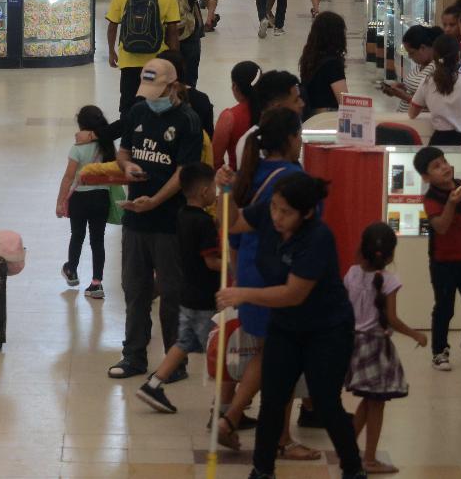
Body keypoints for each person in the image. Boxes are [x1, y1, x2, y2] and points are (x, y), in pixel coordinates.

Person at [216, 173, 362, 479]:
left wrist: (243, 294)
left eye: (286, 212)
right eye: (275, 208)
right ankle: (262, 470)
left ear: (307, 213)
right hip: (285, 326)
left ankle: (353, 469)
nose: (277, 216)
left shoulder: (318, 238)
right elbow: (232, 222)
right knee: (272, 399)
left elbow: (293, 294)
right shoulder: (269, 213)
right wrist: (224, 190)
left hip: (327, 329)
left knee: (325, 402)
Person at [214, 107, 319, 457]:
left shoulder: (250, 172)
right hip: (279, 277)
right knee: (283, 358)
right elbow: (307, 232)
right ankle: (278, 438)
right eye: (299, 135)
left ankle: (233, 419)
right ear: (290, 139)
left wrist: (237, 272)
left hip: (248, 269)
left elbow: (232, 226)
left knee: (268, 352)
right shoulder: (293, 179)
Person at [105, 59, 202, 381]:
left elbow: (184, 173)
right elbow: (123, 152)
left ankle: (175, 362)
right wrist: (127, 167)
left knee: (172, 294)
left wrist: (156, 201)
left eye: (158, 91)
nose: (152, 98)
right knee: (135, 290)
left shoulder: (188, 121)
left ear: (174, 87)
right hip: (136, 220)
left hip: (169, 223)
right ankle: (133, 355)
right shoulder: (137, 112)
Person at [136, 163, 220, 414]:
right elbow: (211, 262)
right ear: (204, 191)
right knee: (221, 349)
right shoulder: (204, 223)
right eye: (214, 188)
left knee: (183, 342)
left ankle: (153, 384)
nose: (215, 192)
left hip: (187, 292)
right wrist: (234, 264)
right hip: (204, 296)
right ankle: (226, 405)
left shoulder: (182, 215)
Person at [344, 222, 427, 473]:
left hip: (354, 344)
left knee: (368, 400)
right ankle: (369, 459)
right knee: (377, 404)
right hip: (377, 349)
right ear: (390, 255)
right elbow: (392, 319)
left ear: (362, 249)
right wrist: (415, 335)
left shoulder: (351, 274)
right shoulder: (390, 280)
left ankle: (347, 449)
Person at [414, 146, 461, 371]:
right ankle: (439, 351)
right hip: (443, 263)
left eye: (444, 161)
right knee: (444, 308)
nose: (444, 167)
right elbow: (441, 227)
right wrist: (451, 202)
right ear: (426, 177)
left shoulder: (460, 186)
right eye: (436, 166)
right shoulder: (430, 198)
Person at [105, 0, 181, 112]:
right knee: (153, 106)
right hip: (156, 61)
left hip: (128, 61)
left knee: (128, 106)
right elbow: (173, 32)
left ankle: (129, 128)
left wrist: (111, 51)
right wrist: (174, 61)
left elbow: (113, 25)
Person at [55, 105, 116, 300]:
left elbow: (68, 177)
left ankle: (72, 270)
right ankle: (96, 284)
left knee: (77, 235)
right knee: (98, 241)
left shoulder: (78, 148)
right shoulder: (107, 147)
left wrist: (60, 201)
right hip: (101, 198)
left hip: (80, 199)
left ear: (81, 125)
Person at [153, 0, 221, 89]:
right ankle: (188, 98)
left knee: (166, 77)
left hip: (164, 33)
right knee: (190, 76)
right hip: (189, 29)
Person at [213, 61, 262, 170]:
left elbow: (216, 160)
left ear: (235, 86)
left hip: (239, 177)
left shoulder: (229, 117)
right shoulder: (274, 112)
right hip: (272, 177)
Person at [298, 12, 349, 118]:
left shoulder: (309, 58)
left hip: (310, 115)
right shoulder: (332, 63)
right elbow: (343, 100)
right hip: (328, 117)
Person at [382, 24, 439, 113]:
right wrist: (402, 88)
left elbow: (432, 104)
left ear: (423, 48)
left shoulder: (436, 68)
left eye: (411, 53)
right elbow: (415, 91)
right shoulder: (420, 65)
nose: (409, 56)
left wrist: (403, 96)